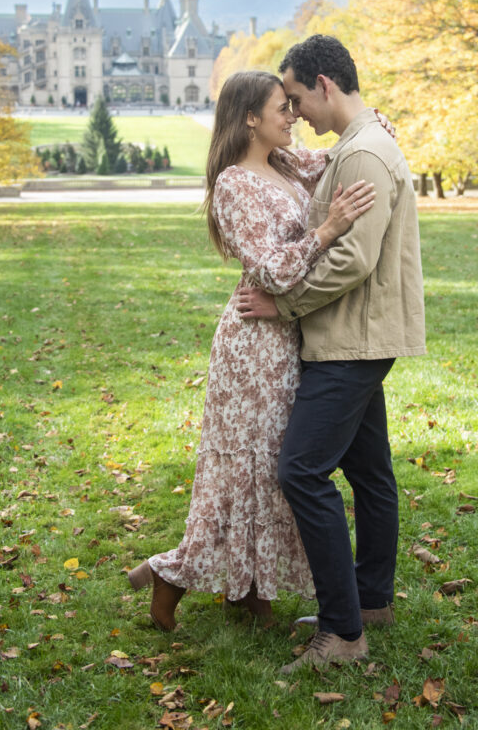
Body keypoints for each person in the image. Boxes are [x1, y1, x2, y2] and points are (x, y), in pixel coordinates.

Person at [126, 69, 376, 630]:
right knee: (249, 467)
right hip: (253, 345)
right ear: (249, 118)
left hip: (289, 338)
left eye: (293, 105)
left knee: (268, 469)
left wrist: (369, 119)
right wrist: (328, 229)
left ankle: (247, 590)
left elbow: (337, 155)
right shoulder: (236, 185)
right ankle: (175, 574)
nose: (293, 115)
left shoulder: (287, 163)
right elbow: (268, 269)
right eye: (282, 107)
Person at [237, 34, 426, 672]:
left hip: (352, 340)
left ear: (323, 85)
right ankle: (369, 601)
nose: (296, 115)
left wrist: (284, 305)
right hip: (359, 334)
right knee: (371, 474)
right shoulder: (357, 144)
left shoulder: (366, 152)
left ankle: (344, 633)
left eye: (296, 98)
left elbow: (353, 256)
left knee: (301, 471)